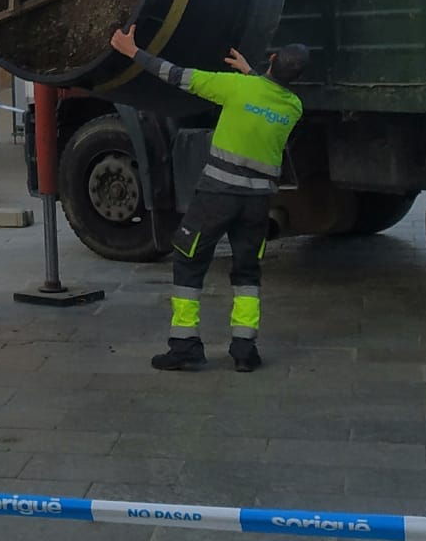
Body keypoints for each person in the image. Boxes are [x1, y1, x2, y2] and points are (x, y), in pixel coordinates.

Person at [109, 25, 308, 372]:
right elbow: (267, 97)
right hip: (257, 205)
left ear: (272, 59)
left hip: (217, 197)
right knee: (247, 273)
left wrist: (133, 52)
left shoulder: (236, 88)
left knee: (188, 261)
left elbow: (178, 76)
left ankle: (185, 345)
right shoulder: (293, 108)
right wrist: (251, 72)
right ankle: (244, 350)